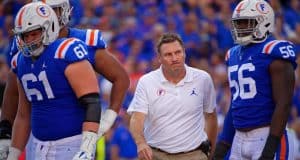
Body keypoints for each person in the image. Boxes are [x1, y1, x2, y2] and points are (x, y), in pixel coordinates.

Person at [0, 0, 130, 159]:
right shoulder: (24, 47)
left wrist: (108, 118)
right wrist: (5, 133)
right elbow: (15, 95)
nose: (52, 14)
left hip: (72, 136)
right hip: (37, 138)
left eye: (54, 9)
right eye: (45, 10)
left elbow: (119, 79)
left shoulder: (78, 43)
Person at [213, 0, 297, 159]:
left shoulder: (272, 50)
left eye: (245, 23)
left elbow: (284, 104)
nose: (240, 28)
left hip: (266, 134)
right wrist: (224, 143)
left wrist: (270, 146)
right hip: (238, 137)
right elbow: (236, 104)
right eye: (237, 24)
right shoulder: (233, 54)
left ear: (264, 22)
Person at [127, 32, 218, 160]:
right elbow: (137, 119)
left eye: (178, 52)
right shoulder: (147, 81)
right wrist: (141, 143)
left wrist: (209, 150)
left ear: (184, 53)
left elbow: (211, 116)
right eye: (168, 55)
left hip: (194, 154)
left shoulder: (203, 79)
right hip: (156, 154)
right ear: (159, 58)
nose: (175, 58)